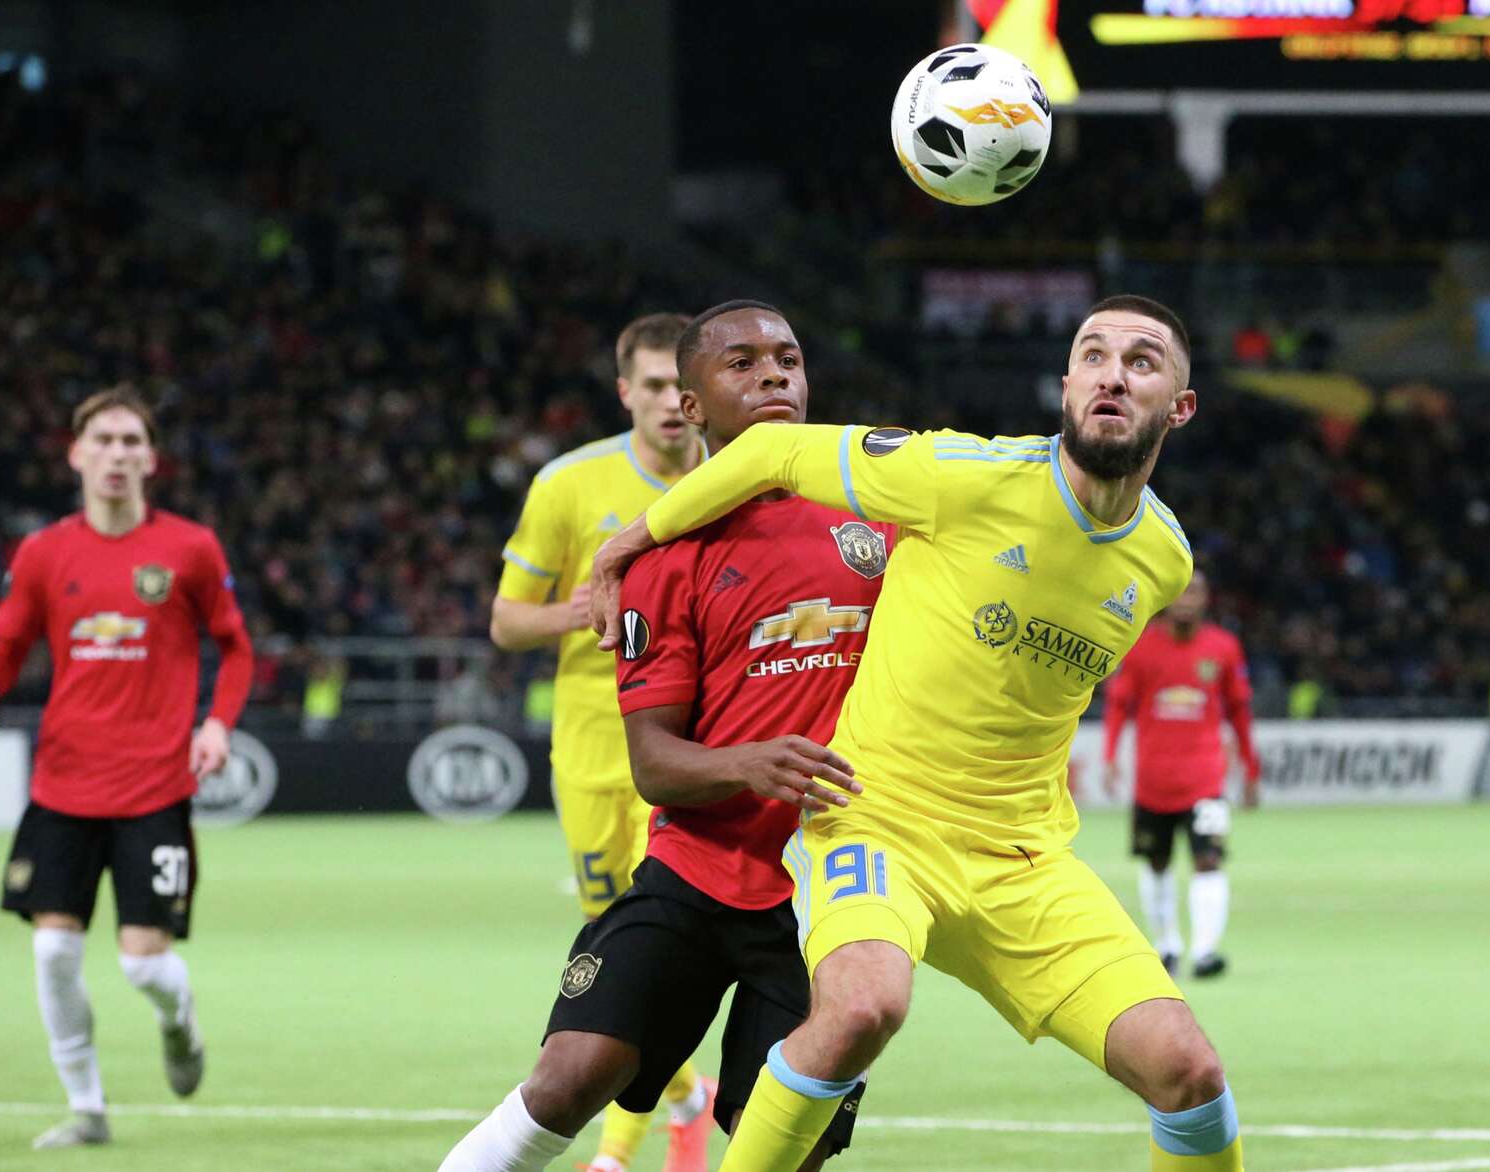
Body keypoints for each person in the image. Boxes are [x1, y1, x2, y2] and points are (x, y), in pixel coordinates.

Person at [591, 295, 1245, 1171]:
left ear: (1181, 405)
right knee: (863, 1008)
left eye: (1142, 362)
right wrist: (627, 543)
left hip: (1023, 858)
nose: (1113, 377)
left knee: (1191, 1076)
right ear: (1065, 385)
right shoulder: (960, 474)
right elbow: (772, 452)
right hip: (877, 821)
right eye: (1094, 356)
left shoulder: (1163, 558)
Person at [442, 300, 882, 1172]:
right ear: (691, 406)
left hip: (834, 884)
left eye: (788, 359)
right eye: (742, 363)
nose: (772, 374)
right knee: (570, 1075)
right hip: (698, 868)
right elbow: (654, 762)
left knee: (780, 1141)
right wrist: (750, 763)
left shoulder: (880, 514)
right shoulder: (663, 559)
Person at [0, 388, 254, 1150]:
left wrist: (217, 723)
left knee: (145, 966)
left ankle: (179, 1022)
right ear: (76, 454)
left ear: (151, 459)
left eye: (130, 441)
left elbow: (237, 648)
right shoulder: (42, 552)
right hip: (63, 784)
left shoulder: (190, 548)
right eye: (104, 440)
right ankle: (86, 1109)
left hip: (154, 786)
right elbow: (11, 644)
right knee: (53, 949)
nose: (117, 454)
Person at [488, 313, 713, 1170]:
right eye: (651, 385)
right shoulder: (568, 485)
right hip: (590, 753)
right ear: (625, 391)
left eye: (680, 386)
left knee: (662, 948)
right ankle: (684, 1098)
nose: (668, 402)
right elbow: (506, 622)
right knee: (612, 945)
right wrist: (584, 611)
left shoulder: (739, 477)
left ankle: (617, 1149)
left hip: (693, 751)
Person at [1103, 569, 1259, 978]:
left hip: (1206, 781)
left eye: (1196, 592)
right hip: (1152, 782)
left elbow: (1240, 711)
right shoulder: (1140, 646)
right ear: (1168, 594)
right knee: (1156, 862)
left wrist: (1250, 767)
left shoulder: (1223, 647)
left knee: (1209, 858)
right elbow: (1118, 705)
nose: (1188, 600)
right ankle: (1167, 945)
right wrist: (1109, 756)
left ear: (1207, 600)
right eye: (1183, 591)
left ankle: (1205, 951)